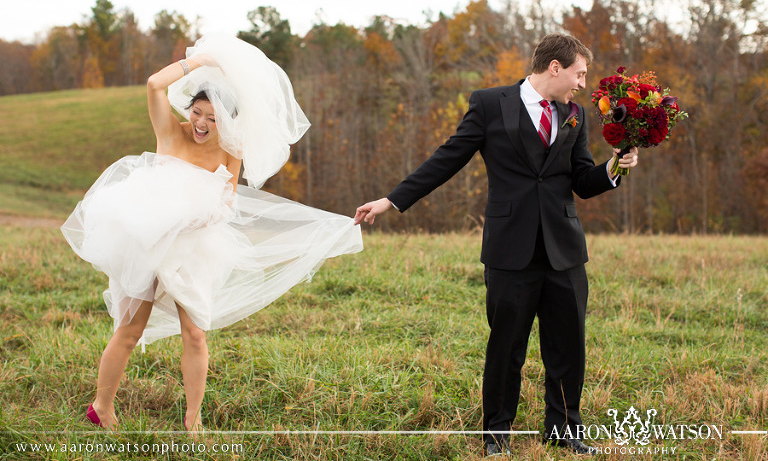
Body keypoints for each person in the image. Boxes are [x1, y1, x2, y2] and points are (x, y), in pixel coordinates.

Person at [62, 33, 363, 434]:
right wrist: (200, 61)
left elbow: (227, 200)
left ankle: (193, 416)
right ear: (189, 109)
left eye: (213, 118)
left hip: (194, 248)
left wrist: (202, 217)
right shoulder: (171, 133)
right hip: (149, 242)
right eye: (198, 113)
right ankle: (101, 405)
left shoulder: (230, 150)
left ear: (227, 121)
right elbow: (154, 84)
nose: (202, 124)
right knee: (130, 330)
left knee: (196, 334)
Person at [354, 34, 638, 456]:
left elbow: (580, 181)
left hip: (565, 252)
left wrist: (614, 167)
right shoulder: (489, 104)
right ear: (555, 67)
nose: (582, 83)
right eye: (579, 73)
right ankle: (496, 435)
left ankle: (564, 432)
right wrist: (392, 200)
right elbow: (447, 158)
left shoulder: (576, 115)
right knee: (506, 346)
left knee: (568, 347)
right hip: (510, 251)